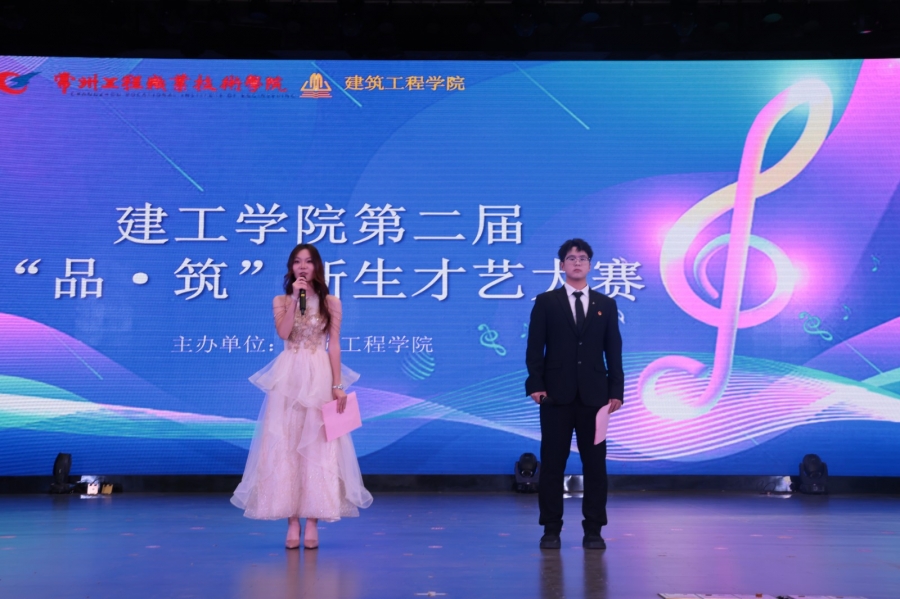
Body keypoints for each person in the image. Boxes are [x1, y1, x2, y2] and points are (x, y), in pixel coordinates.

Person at [231, 243, 373, 549]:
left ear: (317, 266)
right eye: (297, 262)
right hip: (288, 376)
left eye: (308, 262)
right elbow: (284, 333)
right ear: (291, 268)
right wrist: (295, 299)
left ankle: (313, 521)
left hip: (319, 375)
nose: (303, 267)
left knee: (318, 446)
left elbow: (334, 345)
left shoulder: (332, 303)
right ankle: (292, 522)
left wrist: (337, 384)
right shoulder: (282, 300)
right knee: (287, 444)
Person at [525, 238, 624, 550]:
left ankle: (593, 530)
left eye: (582, 258)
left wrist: (616, 390)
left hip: (595, 398)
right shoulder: (546, 302)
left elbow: (614, 350)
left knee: (595, 466)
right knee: (552, 465)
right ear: (562, 265)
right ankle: (550, 529)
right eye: (571, 258)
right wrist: (536, 385)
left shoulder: (606, 304)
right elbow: (534, 348)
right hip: (555, 397)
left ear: (590, 265)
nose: (577, 262)